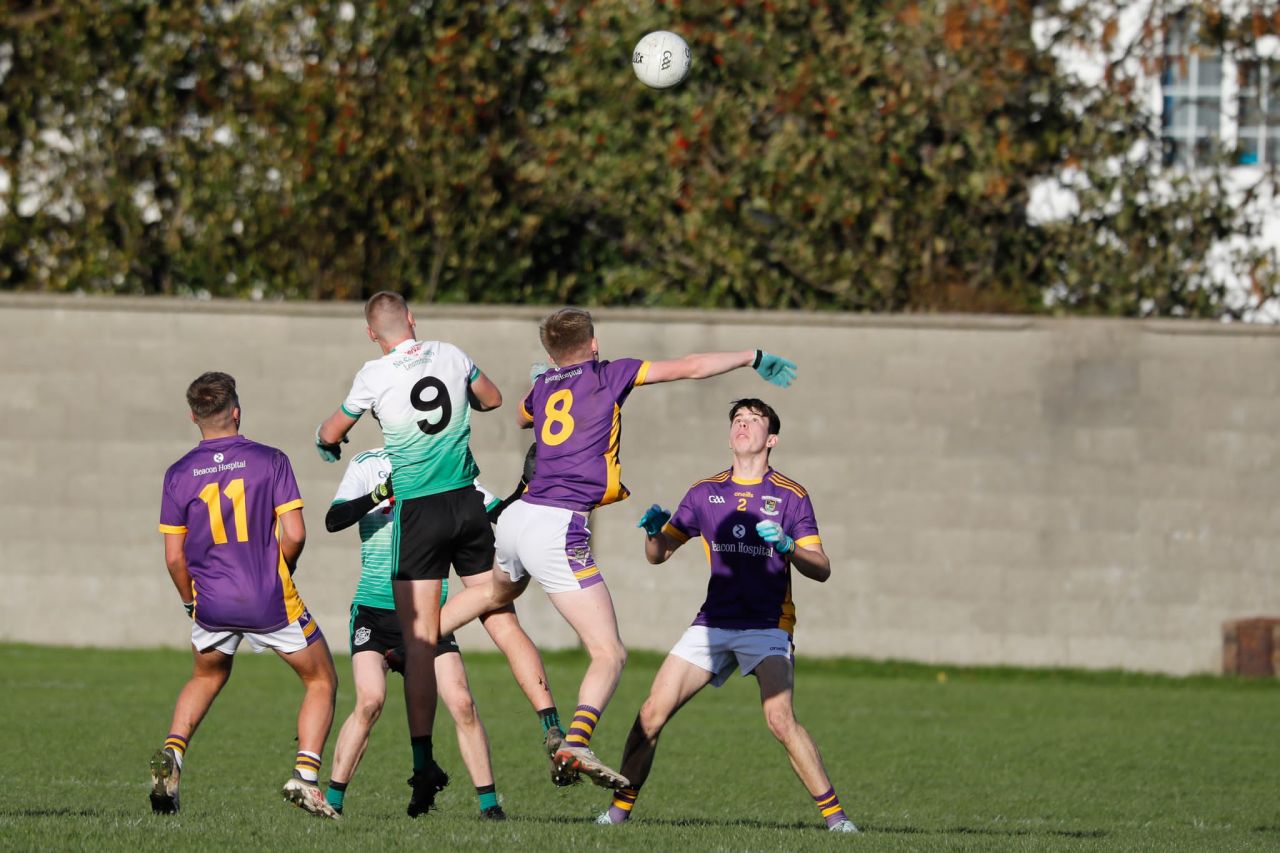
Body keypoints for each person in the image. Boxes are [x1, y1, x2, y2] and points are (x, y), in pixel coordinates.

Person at [439, 307, 798, 789]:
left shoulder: (545, 386)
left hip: (517, 518)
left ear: (549, 351)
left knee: (494, 594)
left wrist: (546, 378)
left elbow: (523, 416)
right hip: (558, 525)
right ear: (593, 343)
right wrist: (750, 356)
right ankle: (577, 740)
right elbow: (689, 366)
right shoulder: (610, 375)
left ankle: (410, 639)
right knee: (609, 653)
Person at [314, 292, 564, 815]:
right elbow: (492, 400)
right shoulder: (452, 352)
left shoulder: (372, 374)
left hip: (422, 513)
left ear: (371, 333)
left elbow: (330, 432)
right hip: (466, 500)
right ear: (411, 319)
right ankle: (551, 723)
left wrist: (328, 443)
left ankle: (424, 759)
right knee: (497, 607)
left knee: (422, 640)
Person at [596, 398, 858, 833]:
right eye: (737, 419)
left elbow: (823, 567)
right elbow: (658, 555)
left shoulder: (791, 496)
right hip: (713, 623)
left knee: (780, 720)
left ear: (771, 439)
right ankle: (617, 813)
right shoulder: (704, 493)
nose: (743, 425)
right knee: (650, 713)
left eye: (754, 421)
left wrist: (790, 548)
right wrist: (652, 533)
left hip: (768, 625)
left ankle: (837, 820)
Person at [151, 372, 339, 819]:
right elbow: (294, 533)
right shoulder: (270, 460)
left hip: (211, 603)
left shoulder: (178, 474)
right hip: (268, 597)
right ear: (236, 411)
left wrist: (190, 602)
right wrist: (281, 572)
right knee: (321, 680)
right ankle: (306, 778)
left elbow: (175, 558)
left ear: (193, 417)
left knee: (206, 676)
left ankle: (173, 756)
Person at [322, 447, 522, 820]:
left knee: (461, 701)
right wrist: (379, 494)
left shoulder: (445, 462)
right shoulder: (367, 464)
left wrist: (530, 489)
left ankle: (489, 806)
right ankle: (332, 802)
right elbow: (334, 520)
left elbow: (497, 512)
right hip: (375, 612)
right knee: (369, 701)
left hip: (428, 615)